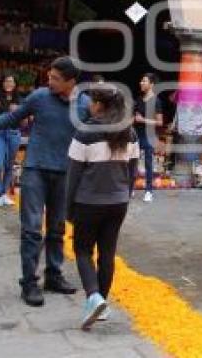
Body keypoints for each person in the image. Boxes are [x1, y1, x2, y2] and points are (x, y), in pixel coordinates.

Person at [0, 57, 90, 306]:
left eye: (55, 78)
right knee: (31, 229)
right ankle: (29, 283)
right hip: (35, 170)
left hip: (65, 173)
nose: (49, 81)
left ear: (71, 81)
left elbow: (95, 135)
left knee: (57, 228)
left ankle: (54, 276)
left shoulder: (84, 105)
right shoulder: (39, 97)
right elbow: (10, 119)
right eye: (49, 77)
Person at [67, 85, 138, 330]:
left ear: (99, 105)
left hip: (88, 202)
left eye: (91, 100)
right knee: (107, 252)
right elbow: (132, 171)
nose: (88, 104)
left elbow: (73, 176)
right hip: (118, 202)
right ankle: (102, 305)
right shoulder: (130, 133)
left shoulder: (85, 132)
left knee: (83, 250)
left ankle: (94, 296)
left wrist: (68, 209)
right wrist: (124, 197)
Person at [0, 73, 24, 208]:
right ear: (2, 83)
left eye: (11, 81)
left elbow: (24, 123)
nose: (9, 84)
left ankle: (3, 194)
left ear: (15, 84)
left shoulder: (19, 99)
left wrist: (19, 113)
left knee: (9, 165)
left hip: (14, 133)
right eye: (6, 81)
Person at [134, 73, 164, 202]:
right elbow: (135, 117)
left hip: (149, 136)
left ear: (151, 84)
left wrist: (143, 120)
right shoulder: (139, 99)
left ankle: (149, 191)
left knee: (148, 163)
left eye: (144, 81)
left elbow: (159, 122)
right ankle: (131, 188)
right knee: (132, 162)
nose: (141, 83)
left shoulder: (156, 101)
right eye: (141, 81)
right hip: (136, 134)